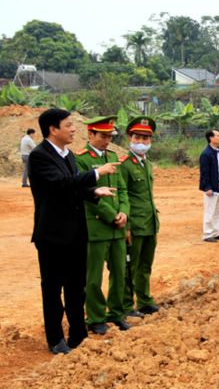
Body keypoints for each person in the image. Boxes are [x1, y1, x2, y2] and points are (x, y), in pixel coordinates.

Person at [28, 108, 119, 355]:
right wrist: (97, 173)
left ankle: (78, 336)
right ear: (53, 129)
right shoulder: (39, 156)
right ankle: (56, 339)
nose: (73, 129)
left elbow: (73, 188)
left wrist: (93, 191)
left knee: (76, 287)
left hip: (76, 232)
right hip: (53, 235)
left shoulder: (67, 155)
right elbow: (59, 185)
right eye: (68, 125)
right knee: (53, 289)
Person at [75, 116, 131, 334]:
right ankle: (96, 317)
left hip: (118, 227)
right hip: (97, 226)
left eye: (110, 136)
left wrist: (124, 213)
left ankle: (116, 313)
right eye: (103, 136)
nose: (107, 140)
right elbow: (86, 195)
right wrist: (111, 215)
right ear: (91, 135)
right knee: (93, 276)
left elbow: (123, 190)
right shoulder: (81, 160)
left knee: (119, 272)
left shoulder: (113, 157)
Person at [120, 116, 161, 316]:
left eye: (146, 139)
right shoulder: (125, 165)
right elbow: (123, 195)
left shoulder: (148, 164)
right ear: (130, 138)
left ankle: (144, 300)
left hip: (149, 223)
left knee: (146, 264)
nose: (142, 142)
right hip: (134, 224)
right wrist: (126, 226)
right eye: (137, 138)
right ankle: (127, 304)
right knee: (130, 266)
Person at [200, 129, 219, 243]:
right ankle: (207, 233)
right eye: (218, 135)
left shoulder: (218, 151)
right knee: (210, 210)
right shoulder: (206, 154)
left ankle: (215, 232)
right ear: (211, 138)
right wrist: (207, 187)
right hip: (212, 186)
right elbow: (204, 172)